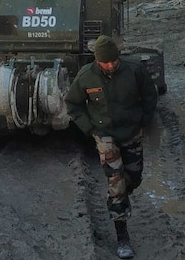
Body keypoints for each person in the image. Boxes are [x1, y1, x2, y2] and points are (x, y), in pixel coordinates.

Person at [64, 35, 158, 259]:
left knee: (134, 176)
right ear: (97, 61)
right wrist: (89, 129)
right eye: (104, 62)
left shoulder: (134, 70)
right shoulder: (86, 76)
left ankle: (119, 196)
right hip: (104, 134)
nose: (109, 65)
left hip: (131, 130)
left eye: (112, 61)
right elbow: (73, 104)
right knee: (116, 181)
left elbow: (150, 95)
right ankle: (122, 234)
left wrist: (144, 119)